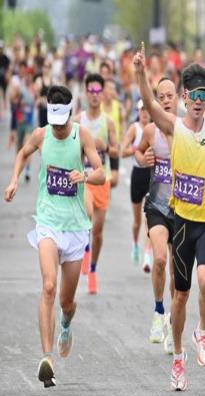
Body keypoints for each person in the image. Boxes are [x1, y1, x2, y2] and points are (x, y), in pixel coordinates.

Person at [134, 43, 205, 391]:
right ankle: (178, 356)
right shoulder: (173, 126)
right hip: (181, 221)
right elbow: (149, 103)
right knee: (181, 294)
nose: (199, 100)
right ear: (185, 97)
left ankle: (201, 331)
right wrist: (140, 73)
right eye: (194, 95)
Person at [4, 85, 105, 387]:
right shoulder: (41, 135)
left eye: (62, 123)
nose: (58, 129)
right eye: (54, 122)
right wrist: (13, 180)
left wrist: (85, 175)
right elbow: (23, 153)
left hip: (75, 227)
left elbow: (101, 172)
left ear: (70, 114)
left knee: (66, 301)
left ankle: (66, 323)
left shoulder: (81, 136)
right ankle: (46, 357)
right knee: (48, 286)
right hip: (47, 221)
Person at [135, 77, 179, 353]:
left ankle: (173, 324)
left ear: (178, 97)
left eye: (169, 95)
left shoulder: (186, 129)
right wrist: (144, 159)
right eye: (160, 96)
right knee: (160, 258)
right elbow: (138, 153)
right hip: (157, 207)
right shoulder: (150, 131)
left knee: (177, 272)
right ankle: (159, 310)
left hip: (182, 208)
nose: (165, 100)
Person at [74, 73, 118, 295]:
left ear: (102, 94)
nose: (94, 95)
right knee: (87, 214)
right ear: (85, 93)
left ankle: (92, 269)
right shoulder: (77, 121)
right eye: (90, 91)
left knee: (98, 230)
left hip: (102, 179)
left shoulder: (108, 122)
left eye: (97, 91)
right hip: (83, 179)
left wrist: (106, 148)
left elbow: (117, 151)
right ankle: (84, 247)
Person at [121, 100, 152, 268]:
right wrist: (137, 149)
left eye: (147, 110)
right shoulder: (135, 128)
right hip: (137, 175)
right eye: (142, 110)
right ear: (138, 112)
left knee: (149, 218)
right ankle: (135, 243)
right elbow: (122, 151)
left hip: (150, 175)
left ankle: (147, 254)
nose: (145, 113)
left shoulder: (154, 128)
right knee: (137, 221)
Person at [101, 77, 124, 188]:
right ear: (104, 90)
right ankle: (103, 192)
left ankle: (105, 189)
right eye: (109, 88)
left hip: (114, 146)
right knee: (101, 175)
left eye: (113, 89)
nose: (111, 91)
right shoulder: (99, 106)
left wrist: (122, 138)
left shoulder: (118, 106)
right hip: (101, 146)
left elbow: (122, 122)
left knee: (114, 180)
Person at [0, 40, 11, 120]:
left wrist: (8, 76)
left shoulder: (6, 58)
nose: (0, 50)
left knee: (4, 93)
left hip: (4, 78)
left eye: (1, 48)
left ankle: (4, 103)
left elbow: (8, 68)